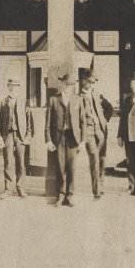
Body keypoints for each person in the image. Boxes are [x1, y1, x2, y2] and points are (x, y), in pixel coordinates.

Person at [45, 72, 83, 207]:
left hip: (73, 139)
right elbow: (48, 123)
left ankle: (70, 195)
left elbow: (82, 122)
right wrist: (48, 140)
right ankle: (60, 195)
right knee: (60, 168)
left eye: (71, 85)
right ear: (62, 84)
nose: (68, 87)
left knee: (72, 168)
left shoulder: (78, 100)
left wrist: (82, 141)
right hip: (58, 139)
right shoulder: (53, 100)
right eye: (66, 84)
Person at [0, 77, 33, 198]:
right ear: (8, 87)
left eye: (16, 85)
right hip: (8, 135)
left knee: (21, 162)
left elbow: (29, 121)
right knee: (8, 162)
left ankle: (20, 187)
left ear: (18, 87)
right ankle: (8, 189)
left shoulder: (24, 102)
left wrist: (28, 136)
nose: (13, 88)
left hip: (20, 136)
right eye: (11, 85)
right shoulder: (3, 102)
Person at [78, 70, 111, 198]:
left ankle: (101, 185)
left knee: (102, 159)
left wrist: (104, 120)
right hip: (89, 133)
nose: (92, 84)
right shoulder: (78, 97)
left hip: (101, 131)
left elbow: (109, 108)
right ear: (83, 81)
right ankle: (96, 191)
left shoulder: (98, 95)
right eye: (90, 82)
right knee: (94, 159)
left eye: (94, 82)